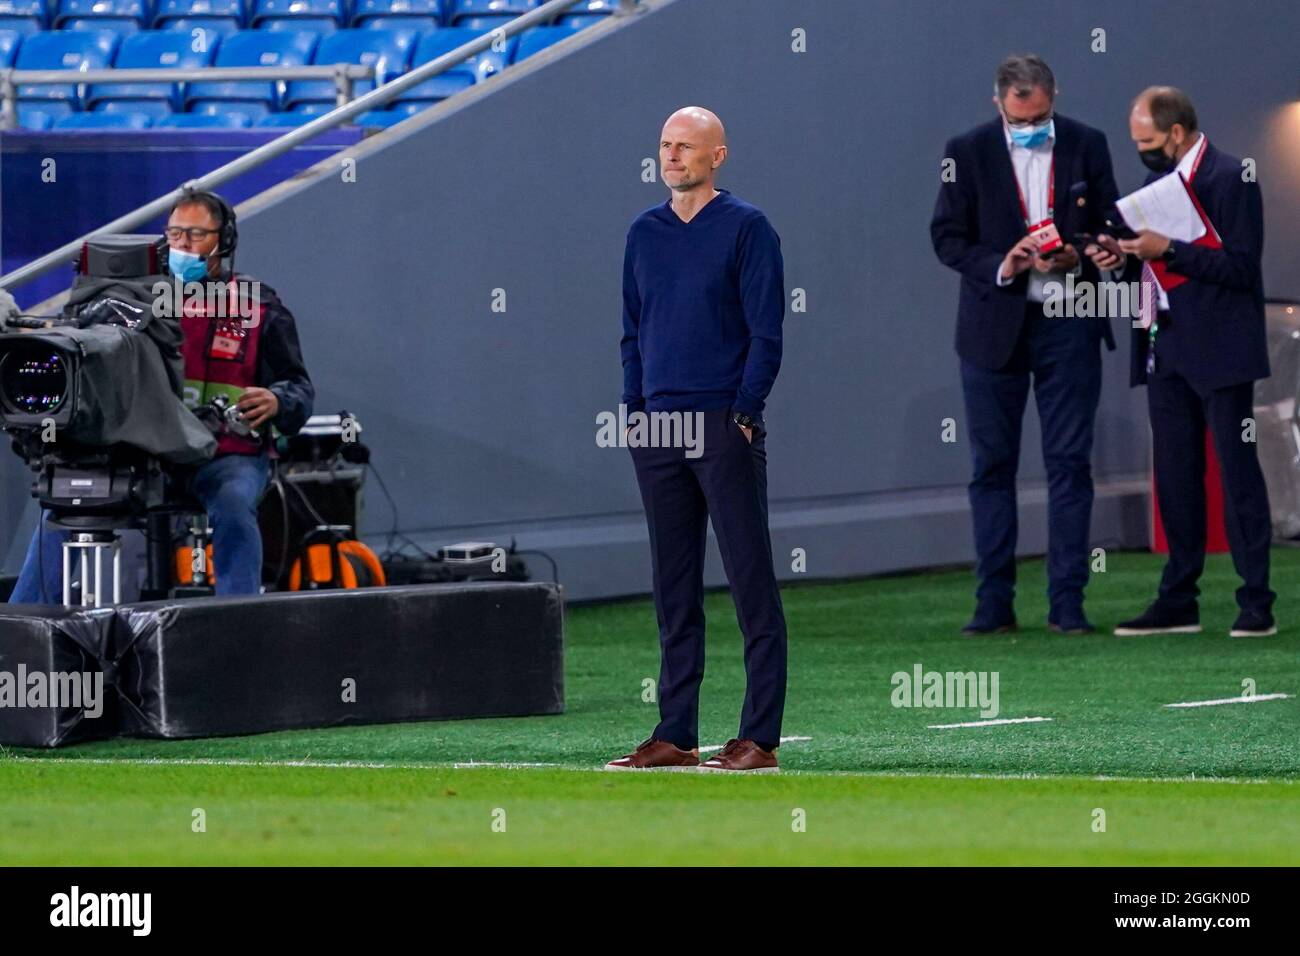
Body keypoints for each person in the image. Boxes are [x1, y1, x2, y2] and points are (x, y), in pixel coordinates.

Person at [8, 188, 314, 602]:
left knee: (235, 508)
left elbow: (299, 387)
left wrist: (279, 400)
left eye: (195, 234)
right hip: (143, 454)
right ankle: (24, 635)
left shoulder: (258, 305)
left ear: (224, 241)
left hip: (225, 456)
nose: (183, 246)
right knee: (63, 502)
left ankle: (240, 619)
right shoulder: (129, 303)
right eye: (174, 235)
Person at [607, 106, 788, 773]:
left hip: (722, 423)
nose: (672, 155)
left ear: (718, 156)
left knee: (750, 580)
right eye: (665, 144)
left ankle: (759, 739)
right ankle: (674, 733)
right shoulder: (643, 233)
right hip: (657, 426)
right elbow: (632, 328)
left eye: (685, 146)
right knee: (673, 586)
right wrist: (634, 408)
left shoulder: (747, 228)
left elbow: (766, 330)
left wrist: (745, 410)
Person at [931, 54, 1124, 636]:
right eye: (1020, 118)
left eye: (1040, 115)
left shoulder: (1088, 142)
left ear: (1053, 97)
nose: (1030, 125)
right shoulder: (964, 151)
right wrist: (1003, 263)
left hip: (1071, 321)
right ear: (998, 103)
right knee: (992, 467)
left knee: (1070, 464)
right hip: (993, 330)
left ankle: (1068, 605)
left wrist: (1082, 250)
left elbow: (1109, 221)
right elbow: (946, 237)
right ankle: (994, 605)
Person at [1110, 87, 1276, 637]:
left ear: (1177, 132)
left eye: (1148, 141)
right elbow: (1148, 263)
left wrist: (1170, 251)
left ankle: (1256, 602)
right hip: (1166, 346)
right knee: (1176, 477)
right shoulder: (1153, 187)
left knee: (1237, 475)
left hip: (1223, 351)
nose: (1142, 151)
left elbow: (1242, 269)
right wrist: (1121, 257)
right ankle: (1178, 598)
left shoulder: (1232, 178)